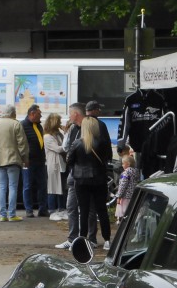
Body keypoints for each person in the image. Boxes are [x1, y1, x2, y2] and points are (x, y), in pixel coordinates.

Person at [67, 115, 112, 251]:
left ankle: (82, 239)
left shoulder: (77, 143)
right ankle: (107, 240)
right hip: (99, 179)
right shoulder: (102, 143)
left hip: (81, 180)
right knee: (101, 210)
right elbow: (108, 158)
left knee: (84, 211)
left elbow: (69, 161)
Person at [55, 104, 87, 250]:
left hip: (85, 173)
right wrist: (67, 132)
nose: (68, 116)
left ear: (75, 114)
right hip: (73, 171)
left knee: (87, 207)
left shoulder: (88, 128)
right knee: (71, 206)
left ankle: (87, 238)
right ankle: (72, 238)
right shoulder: (73, 129)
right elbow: (66, 147)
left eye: (70, 113)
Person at [0, 106, 28, 222]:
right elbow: (22, 144)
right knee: (13, 187)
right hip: (13, 159)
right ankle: (12, 214)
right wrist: (25, 158)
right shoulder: (16, 124)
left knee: (1, 187)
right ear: (13, 113)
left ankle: (2, 215)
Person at [20, 104, 48, 218]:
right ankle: (29, 210)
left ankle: (42, 209)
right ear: (32, 114)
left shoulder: (38, 126)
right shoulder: (22, 125)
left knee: (43, 185)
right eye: (39, 114)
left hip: (40, 161)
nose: (41, 116)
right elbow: (20, 143)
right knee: (27, 185)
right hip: (28, 161)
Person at [42, 113, 66, 219]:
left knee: (61, 188)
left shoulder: (58, 134)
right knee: (53, 187)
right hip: (53, 164)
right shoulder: (47, 137)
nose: (60, 124)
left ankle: (61, 209)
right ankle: (52, 210)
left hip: (61, 164)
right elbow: (59, 148)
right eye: (59, 122)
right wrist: (66, 143)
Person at [115, 154, 140, 218]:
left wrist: (119, 196)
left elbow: (123, 185)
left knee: (124, 212)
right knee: (131, 211)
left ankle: (123, 223)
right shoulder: (135, 172)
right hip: (133, 195)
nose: (122, 165)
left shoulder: (126, 173)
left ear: (128, 164)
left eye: (123, 163)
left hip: (125, 196)